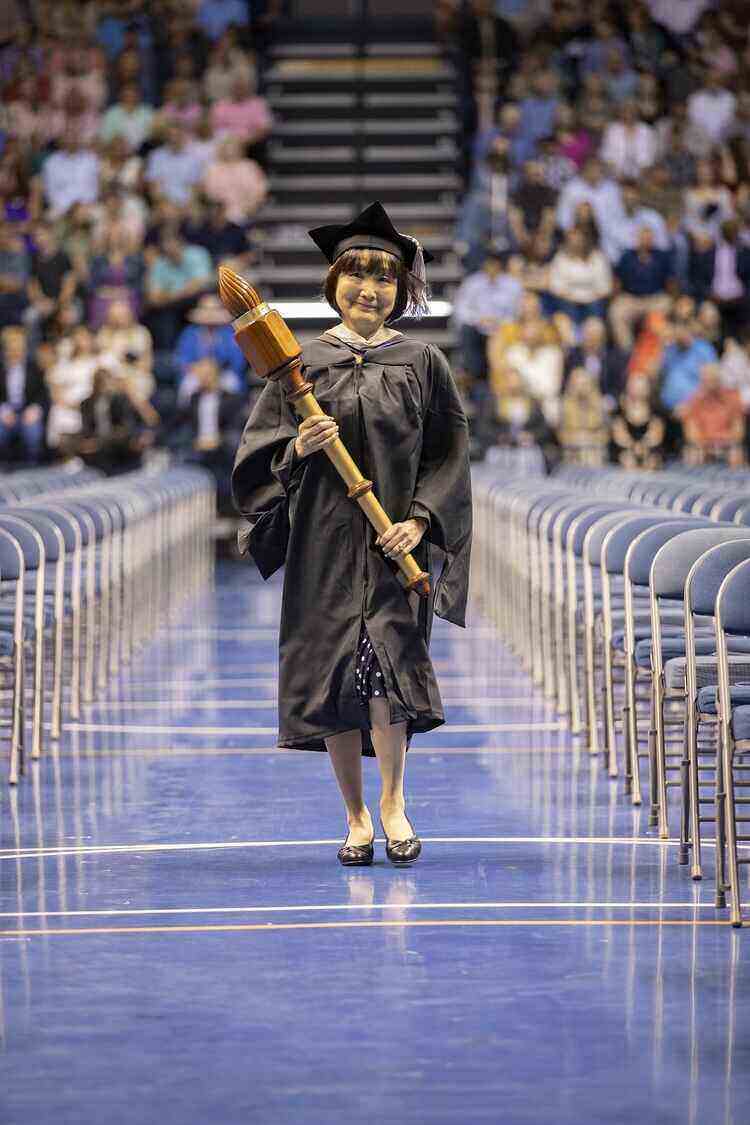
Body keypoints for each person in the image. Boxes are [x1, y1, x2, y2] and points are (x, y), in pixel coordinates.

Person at [231, 201, 472, 867]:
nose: (371, 288)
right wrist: (300, 448)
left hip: (395, 543)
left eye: (386, 277)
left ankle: (394, 801)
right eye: (358, 274)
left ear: (403, 291)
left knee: (389, 672)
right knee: (338, 675)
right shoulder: (300, 366)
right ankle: (356, 816)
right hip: (324, 544)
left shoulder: (424, 363)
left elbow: (448, 456)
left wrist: (420, 519)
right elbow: (256, 463)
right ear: (334, 282)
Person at [610, 225, 675, 350]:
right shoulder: (627, 256)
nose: (646, 240)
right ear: (637, 239)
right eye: (643, 237)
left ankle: (654, 351)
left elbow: (670, 281)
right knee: (616, 312)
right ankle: (627, 351)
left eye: (649, 238)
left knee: (663, 308)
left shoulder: (662, 257)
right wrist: (615, 296)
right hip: (631, 298)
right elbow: (617, 280)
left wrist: (672, 297)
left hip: (654, 298)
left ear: (653, 240)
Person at [546, 224, 613, 326]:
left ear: (585, 240)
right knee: (566, 308)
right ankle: (574, 339)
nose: (575, 242)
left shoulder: (598, 257)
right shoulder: (560, 258)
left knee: (596, 308)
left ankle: (595, 335)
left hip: (593, 299)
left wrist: (592, 296)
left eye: (578, 239)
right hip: (568, 299)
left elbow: (605, 285)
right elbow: (555, 285)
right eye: (572, 239)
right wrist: (571, 296)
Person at [681, 361, 745, 465]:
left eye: (713, 380)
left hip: (727, 444)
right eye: (706, 380)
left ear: (719, 380)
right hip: (703, 444)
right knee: (694, 455)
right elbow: (691, 429)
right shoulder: (694, 399)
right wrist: (702, 445)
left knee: (736, 454)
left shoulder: (732, 397)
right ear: (702, 381)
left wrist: (729, 443)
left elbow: (738, 427)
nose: (710, 383)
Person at [0, 326, 48, 463]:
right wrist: (2, 410)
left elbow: (43, 395)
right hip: (6, 413)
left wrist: (35, 409)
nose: (16, 352)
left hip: (28, 412)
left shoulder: (34, 368)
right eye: (12, 348)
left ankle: (31, 467)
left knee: (33, 433)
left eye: (19, 347)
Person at [610, 373, 665, 469]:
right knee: (627, 461)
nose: (638, 390)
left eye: (642, 387)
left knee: (652, 462)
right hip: (624, 451)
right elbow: (619, 436)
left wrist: (643, 447)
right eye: (635, 386)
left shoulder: (656, 412)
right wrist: (632, 447)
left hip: (650, 451)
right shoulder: (619, 412)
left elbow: (656, 437)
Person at [558, 366, 609, 465]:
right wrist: (577, 438)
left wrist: (590, 438)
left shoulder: (599, 405)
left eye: (584, 384)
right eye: (577, 384)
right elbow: (561, 434)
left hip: (595, 449)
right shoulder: (564, 405)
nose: (581, 388)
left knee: (591, 454)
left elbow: (605, 434)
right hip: (572, 450)